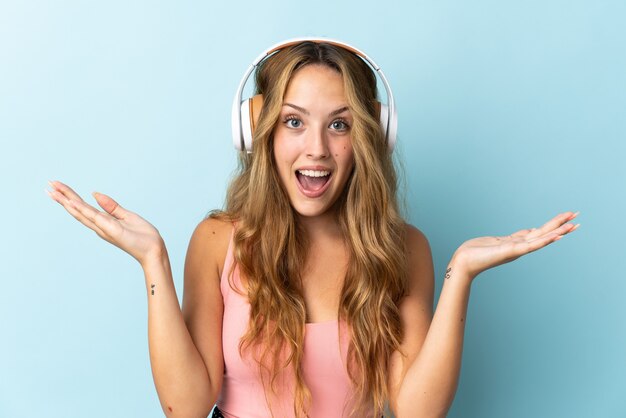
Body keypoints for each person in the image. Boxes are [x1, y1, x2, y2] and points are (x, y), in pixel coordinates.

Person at [47, 38, 579, 418]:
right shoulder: (216, 242)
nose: (317, 149)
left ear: (372, 137)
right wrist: (152, 263)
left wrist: (460, 274)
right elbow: (185, 407)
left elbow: (418, 410)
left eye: (340, 125)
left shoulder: (404, 249)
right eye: (294, 121)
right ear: (259, 132)